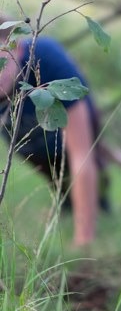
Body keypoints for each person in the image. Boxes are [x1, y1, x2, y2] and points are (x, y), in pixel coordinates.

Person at [0, 18, 109, 248]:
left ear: (16, 49)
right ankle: (65, 202)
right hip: (33, 144)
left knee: (88, 177)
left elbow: (81, 153)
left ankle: (96, 206)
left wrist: (84, 239)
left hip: (69, 132)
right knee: (56, 181)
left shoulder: (47, 58)